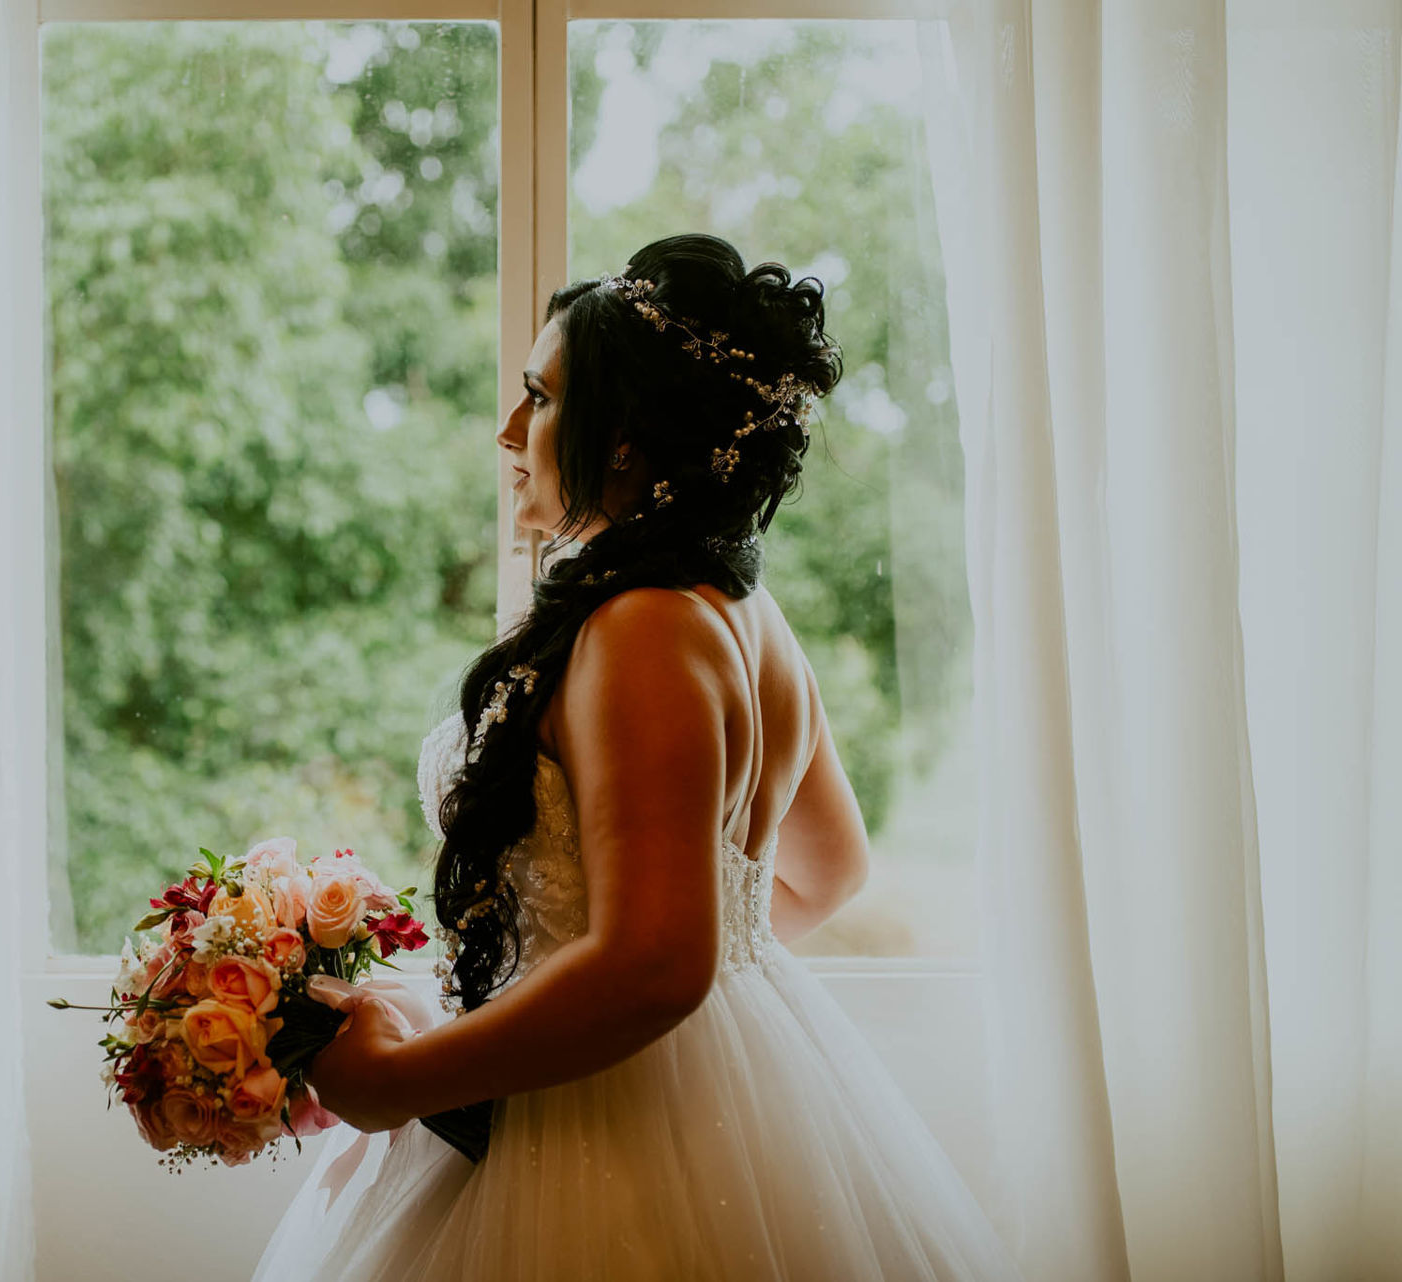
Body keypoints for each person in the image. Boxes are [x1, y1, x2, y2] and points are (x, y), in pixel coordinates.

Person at [249, 233, 1025, 1281]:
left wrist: (405, 1080)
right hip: (724, 1093)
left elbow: (658, 961)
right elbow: (828, 870)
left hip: (599, 1124)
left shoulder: (643, 627)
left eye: (540, 396)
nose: (508, 429)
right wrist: (696, 986)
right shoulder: (745, 605)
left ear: (622, 440)